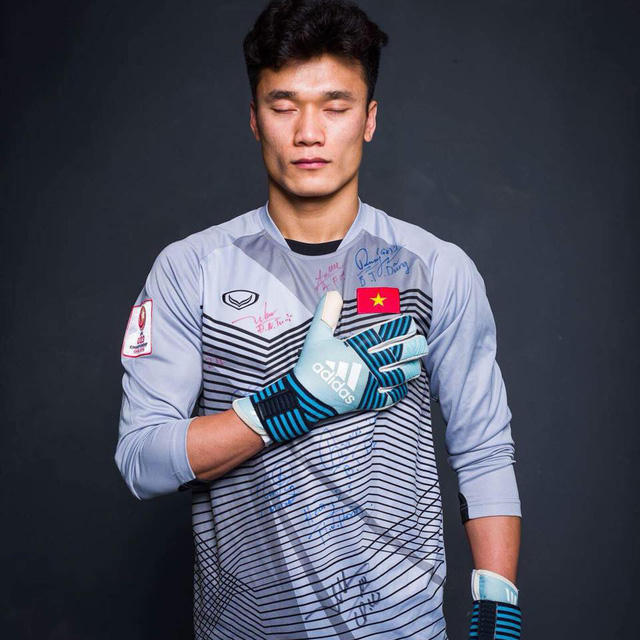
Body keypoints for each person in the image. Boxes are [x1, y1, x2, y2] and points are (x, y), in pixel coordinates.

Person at [115, 1, 522, 638]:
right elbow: (142, 461)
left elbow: (483, 450)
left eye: (335, 106)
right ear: (255, 119)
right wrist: (286, 404)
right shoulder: (189, 269)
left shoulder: (435, 268)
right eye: (283, 106)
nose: (309, 132)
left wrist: (499, 609)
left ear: (369, 119)